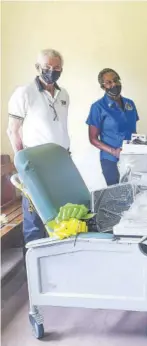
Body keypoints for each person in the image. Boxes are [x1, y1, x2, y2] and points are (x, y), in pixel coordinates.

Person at [7, 48, 69, 244]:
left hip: (60, 163)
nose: (52, 71)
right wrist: (22, 165)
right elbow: (13, 131)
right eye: (47, 67)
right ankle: (32, 268)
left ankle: (53, 260)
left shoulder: (63, 94)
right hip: (35, 166)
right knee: (34, 219)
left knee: (59, 213)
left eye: (56, 67)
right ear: (37, 68)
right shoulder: (24, 93)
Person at [86, 68, 139, 186]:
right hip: (111, 159)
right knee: (117, 194)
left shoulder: (130, 103)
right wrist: (113, 151)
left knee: (136, 190)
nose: (114, 84)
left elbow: (133, 130)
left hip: (131, 157)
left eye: (116, 80)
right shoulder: (98, 107)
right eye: (109, 82)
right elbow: (93, 138)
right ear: (103, 87)